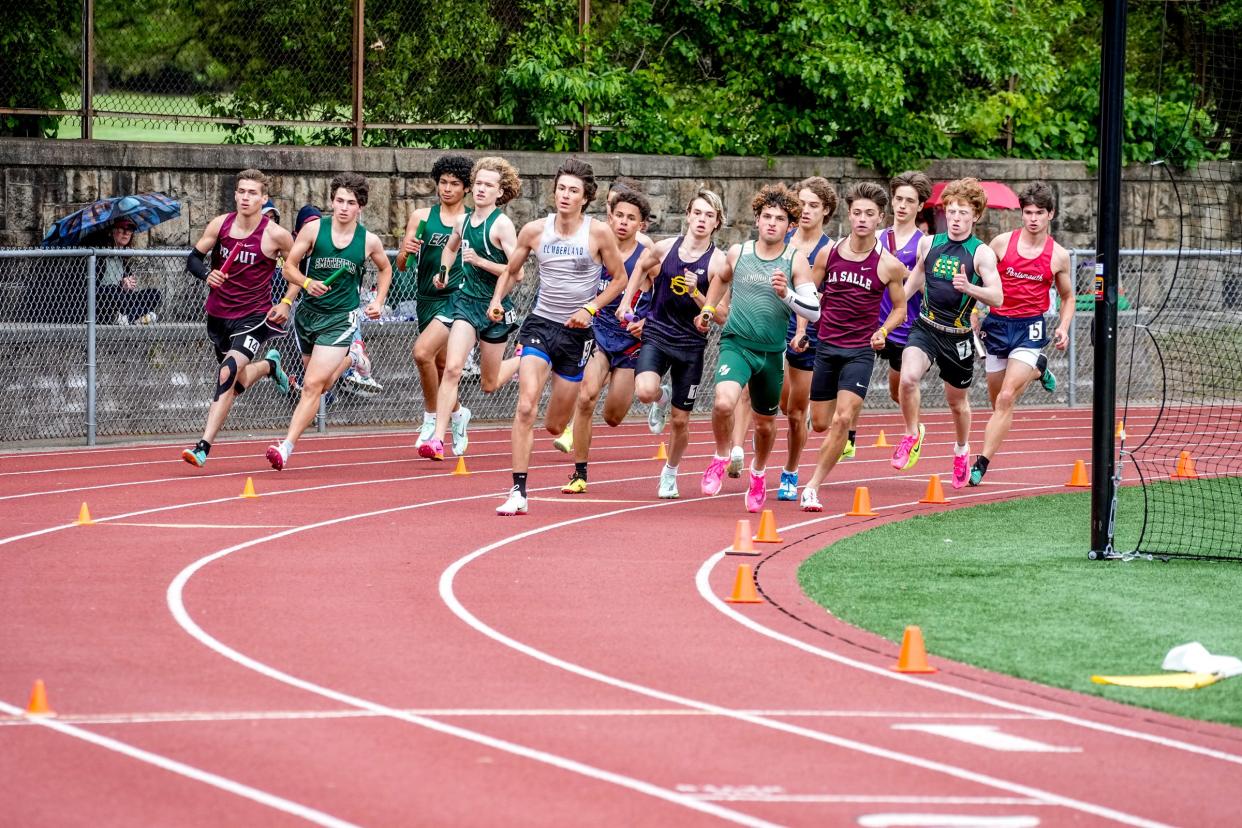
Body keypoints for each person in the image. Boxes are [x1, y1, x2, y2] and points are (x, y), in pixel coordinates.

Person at [489, 158, 629, 515]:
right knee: (525, 406)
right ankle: (518, 491)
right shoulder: (535, 230)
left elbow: (620, 280)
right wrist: (496, 300)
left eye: (573, 191)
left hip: (577, 334)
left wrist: (590, 309)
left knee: (553, 424)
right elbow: (511, 270)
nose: (565, 196)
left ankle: (559, 417)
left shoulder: (598, 233)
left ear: (585, 198)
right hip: (541, 324)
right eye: (561, 188)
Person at [697, 184, 820, 512]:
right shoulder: (739, 252)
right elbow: (721, 279)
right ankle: (721, 456)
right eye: (767, 216)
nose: (771, 223)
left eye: (779, 219)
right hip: (736, 343)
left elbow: (814, 310)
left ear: (790, 226)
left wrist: (787, 295)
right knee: (723, 403)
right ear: (757, 219)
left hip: (770, 353)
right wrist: (709, 308)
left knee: (765, 424)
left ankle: (758, 473)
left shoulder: (796, 260)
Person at [266, 172, 392, 470]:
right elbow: (289, 267)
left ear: (360, 206)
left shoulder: (368, 241)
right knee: (321, 385)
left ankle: (285, 447)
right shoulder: (313, 231)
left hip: (340, 319)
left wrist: (378, 302)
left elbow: (386, 270)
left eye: (350, 202)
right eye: (339, 201)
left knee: (311, 385)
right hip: (308, 316)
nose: (344, 207)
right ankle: (352, 359)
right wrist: (307, 284)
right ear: (332, 201)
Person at [798, 182, 908, 512]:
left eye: (869, 214)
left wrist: (883, 330)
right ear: (849, 215)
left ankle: (812, 487)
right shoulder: (827, 253)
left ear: (880, 219)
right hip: (826, 346)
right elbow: (807, 293)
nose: (862, 219)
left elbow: (901, 309)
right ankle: (814, 419)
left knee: (843, 420)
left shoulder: (888, 264)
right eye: (857, 213)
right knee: (820, 422)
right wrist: (803, 327)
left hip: (860, 351)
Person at [893, 177, 1004, 488]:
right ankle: (912, 434)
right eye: (951, 212)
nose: (956, 218)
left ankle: (960, 450)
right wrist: (897, 307)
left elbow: (998, 297)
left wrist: (970, 288)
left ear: (975, 216)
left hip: (957, 337)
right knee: (908, 377)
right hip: (926, 327)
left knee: (957, 404)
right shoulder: (929, 243)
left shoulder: (980, 253)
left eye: (963, 213)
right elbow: (916, 277)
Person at [180, 169, 295, 468]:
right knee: (237, 379)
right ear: (235, 194)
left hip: (254, 316)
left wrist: (286, 302)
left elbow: (296, 272)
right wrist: (208, 274)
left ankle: (202, 446)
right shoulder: (221, 224)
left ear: (264, 198)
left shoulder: (275, 235)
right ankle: (270, 366)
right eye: (241, 191)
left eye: (252, 193)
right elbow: (193, 258)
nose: (246, 197)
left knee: (226, 372)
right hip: (218, 315)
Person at [624, 190, 730, 499]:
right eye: (697, 213)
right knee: (644, 391)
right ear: (687, 214)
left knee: (680, 421)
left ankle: (670, 471)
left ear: (716, 223)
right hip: (657, 332)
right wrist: (625, 302)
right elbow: (642, 266)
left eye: (709, 216)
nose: (701, 220)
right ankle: (661, 396)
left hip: (690, 345)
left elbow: (722, 314)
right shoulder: (666, 247)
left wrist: (698, 295)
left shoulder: (718, 262)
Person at [418, 156, 523, 461]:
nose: (480, 189)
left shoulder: (502, 224)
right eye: (478, 183)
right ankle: (438, 438)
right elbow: (451, 248)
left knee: (489, 383)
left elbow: (517, 272)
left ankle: (522, 357)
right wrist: (443, 271)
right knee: (451, 369)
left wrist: (479, 261)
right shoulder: (462, 222)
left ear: (499, 192)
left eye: (488, 185)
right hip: (465, 303)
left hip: (496, 308)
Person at [970, 181, 1073, 486]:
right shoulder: (1001, 243)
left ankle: (981, 463)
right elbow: (979, 278)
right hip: (997, 326)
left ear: (1050, 214)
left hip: (1030, 327)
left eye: (1039, 213)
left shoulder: (1058, 256)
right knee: (997, 403)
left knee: (1005, 398)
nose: (1032, 218)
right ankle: (1039, 368)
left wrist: (1063, 327)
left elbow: (1067, 296)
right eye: (1027, 212)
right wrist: (974, 311)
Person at [551, 177, 655, 455]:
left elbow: (668, 297)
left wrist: (647, 321)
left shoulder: (646, 256)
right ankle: (579, 469)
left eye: (630, 218)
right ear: (609, 217)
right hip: (597, 333)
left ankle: (658, 393)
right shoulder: (593, 247)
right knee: (586, 395)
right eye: (617, 215)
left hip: (630, 342)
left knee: (612, 416)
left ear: (640, 224)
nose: (622, 222)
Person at [840, 171, 933, 453]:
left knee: (899, 391)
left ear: (920, 206)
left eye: (910, 201)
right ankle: (849, 439)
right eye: (899, 199)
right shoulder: (876, 236)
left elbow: (928, 291)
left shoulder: (924, 244)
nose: (903, 206)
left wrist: (908, 274)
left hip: (905, 327)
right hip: (871, 322)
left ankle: (915, 429)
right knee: (854, 385)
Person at [401, 155, 475, 451]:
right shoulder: (421, 217)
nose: (447, 189)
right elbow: (403, 265)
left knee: (421, 353)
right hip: (427, 298)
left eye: (454, 184)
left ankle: (431, 418)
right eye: (443, 183)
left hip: (458, 298)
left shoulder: (470, 221)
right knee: (442, 366)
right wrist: (405, 251)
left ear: (466, 188)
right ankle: (458, 415)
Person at [775, 176, 837, 501]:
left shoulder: (828, 251)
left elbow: (811, 297)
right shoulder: (782, 238)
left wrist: (801, 331)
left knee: (795, 413)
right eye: (802, 204)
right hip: (774, 324)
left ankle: (790, 470)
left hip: (808, 331)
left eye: (814, 205)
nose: (806, 211)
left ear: (826, 210)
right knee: (779, 403)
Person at [96, 218, 162, 325]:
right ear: (113, 231)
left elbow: (127, 290)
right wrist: (120, 287)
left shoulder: (122, 258)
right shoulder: (100, 257)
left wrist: (129, 284)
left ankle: (127, 319)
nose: (126, 233)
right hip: (104, 303)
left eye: (130, 229)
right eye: (122, 229)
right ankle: (133, 318)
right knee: (115, 294)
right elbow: (94, 290)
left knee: (154, 294)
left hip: (122, 303)